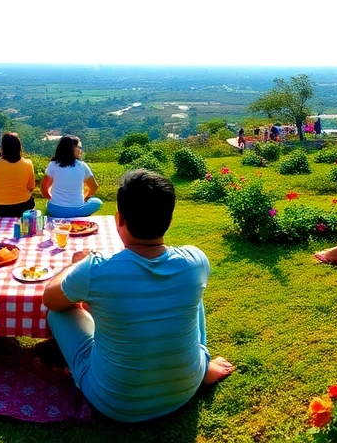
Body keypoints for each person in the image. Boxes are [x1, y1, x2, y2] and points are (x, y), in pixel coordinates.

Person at [43, 168, 235, 422]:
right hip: (185, 389)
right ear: (169, 217)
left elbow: (50, 298)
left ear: (119, 218)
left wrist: (75, 266)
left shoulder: (96, 269)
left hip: (113, 401)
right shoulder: (196, 261)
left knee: (58, 313)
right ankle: (203, 367)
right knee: (190, 294)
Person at [41, 135, 101, 218]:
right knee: (97, 202)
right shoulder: (82, 166)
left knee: (50, 203)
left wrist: (52, 199)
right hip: (77, 210)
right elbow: (94, 187)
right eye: (79, 147)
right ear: (72, 149)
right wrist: (85, 198)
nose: (81, 150)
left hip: (55, 210)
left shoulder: (53, 165)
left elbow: (44, 189)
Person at [0, 132, 36, 217]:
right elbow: (31, 187)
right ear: (19, 146)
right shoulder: (28, 164)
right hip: (22, 206)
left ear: (3, 147)